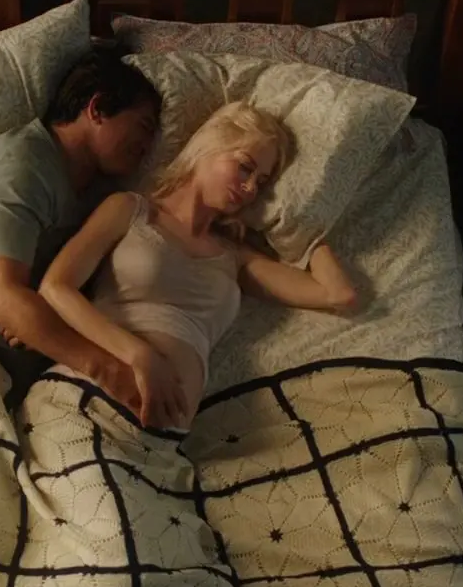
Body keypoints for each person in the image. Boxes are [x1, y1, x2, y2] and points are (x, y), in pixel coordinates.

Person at [37, 102, 359, 429]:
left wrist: (293, 221)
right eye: (244, 167)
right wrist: (141, 355)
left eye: (261, 183)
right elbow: (55, 287)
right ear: (208, 147)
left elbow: (338, 294)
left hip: (158, 441)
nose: (250, 188)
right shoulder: (131, 210)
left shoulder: (235, 257)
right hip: (83, 400)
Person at [0, 47, 160, 413]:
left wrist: (35, 319)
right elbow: (3, 300)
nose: (148, 147)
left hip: (3, 371)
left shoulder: (97, 198)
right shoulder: (19, 162)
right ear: (97, 108)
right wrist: (108, 370)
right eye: (144, 126)